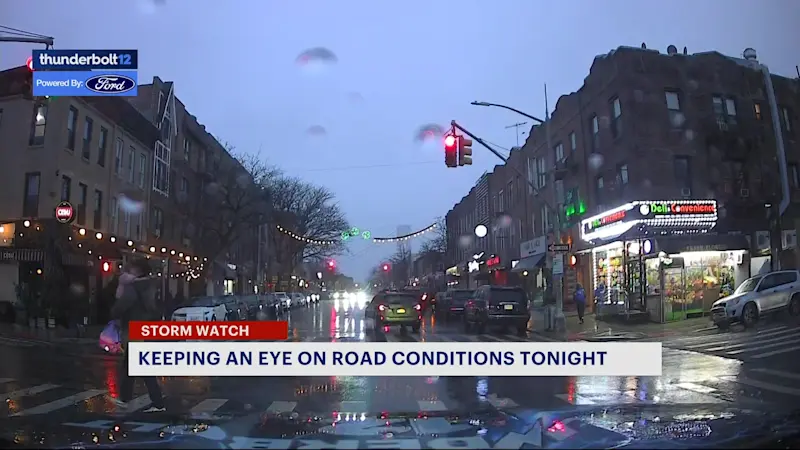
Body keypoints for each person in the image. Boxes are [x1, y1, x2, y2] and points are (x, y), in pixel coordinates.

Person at [109, 258, 165, 413]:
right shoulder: (150, 286)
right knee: (129, 366)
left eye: (130, 269)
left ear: (137, 271)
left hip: (135, 329)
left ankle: (158, 403)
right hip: (145, 329)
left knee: (143, 368)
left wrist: (114, 311)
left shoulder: (134, 287)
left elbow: (122, 305)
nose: (127, 272)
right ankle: (125, 399)